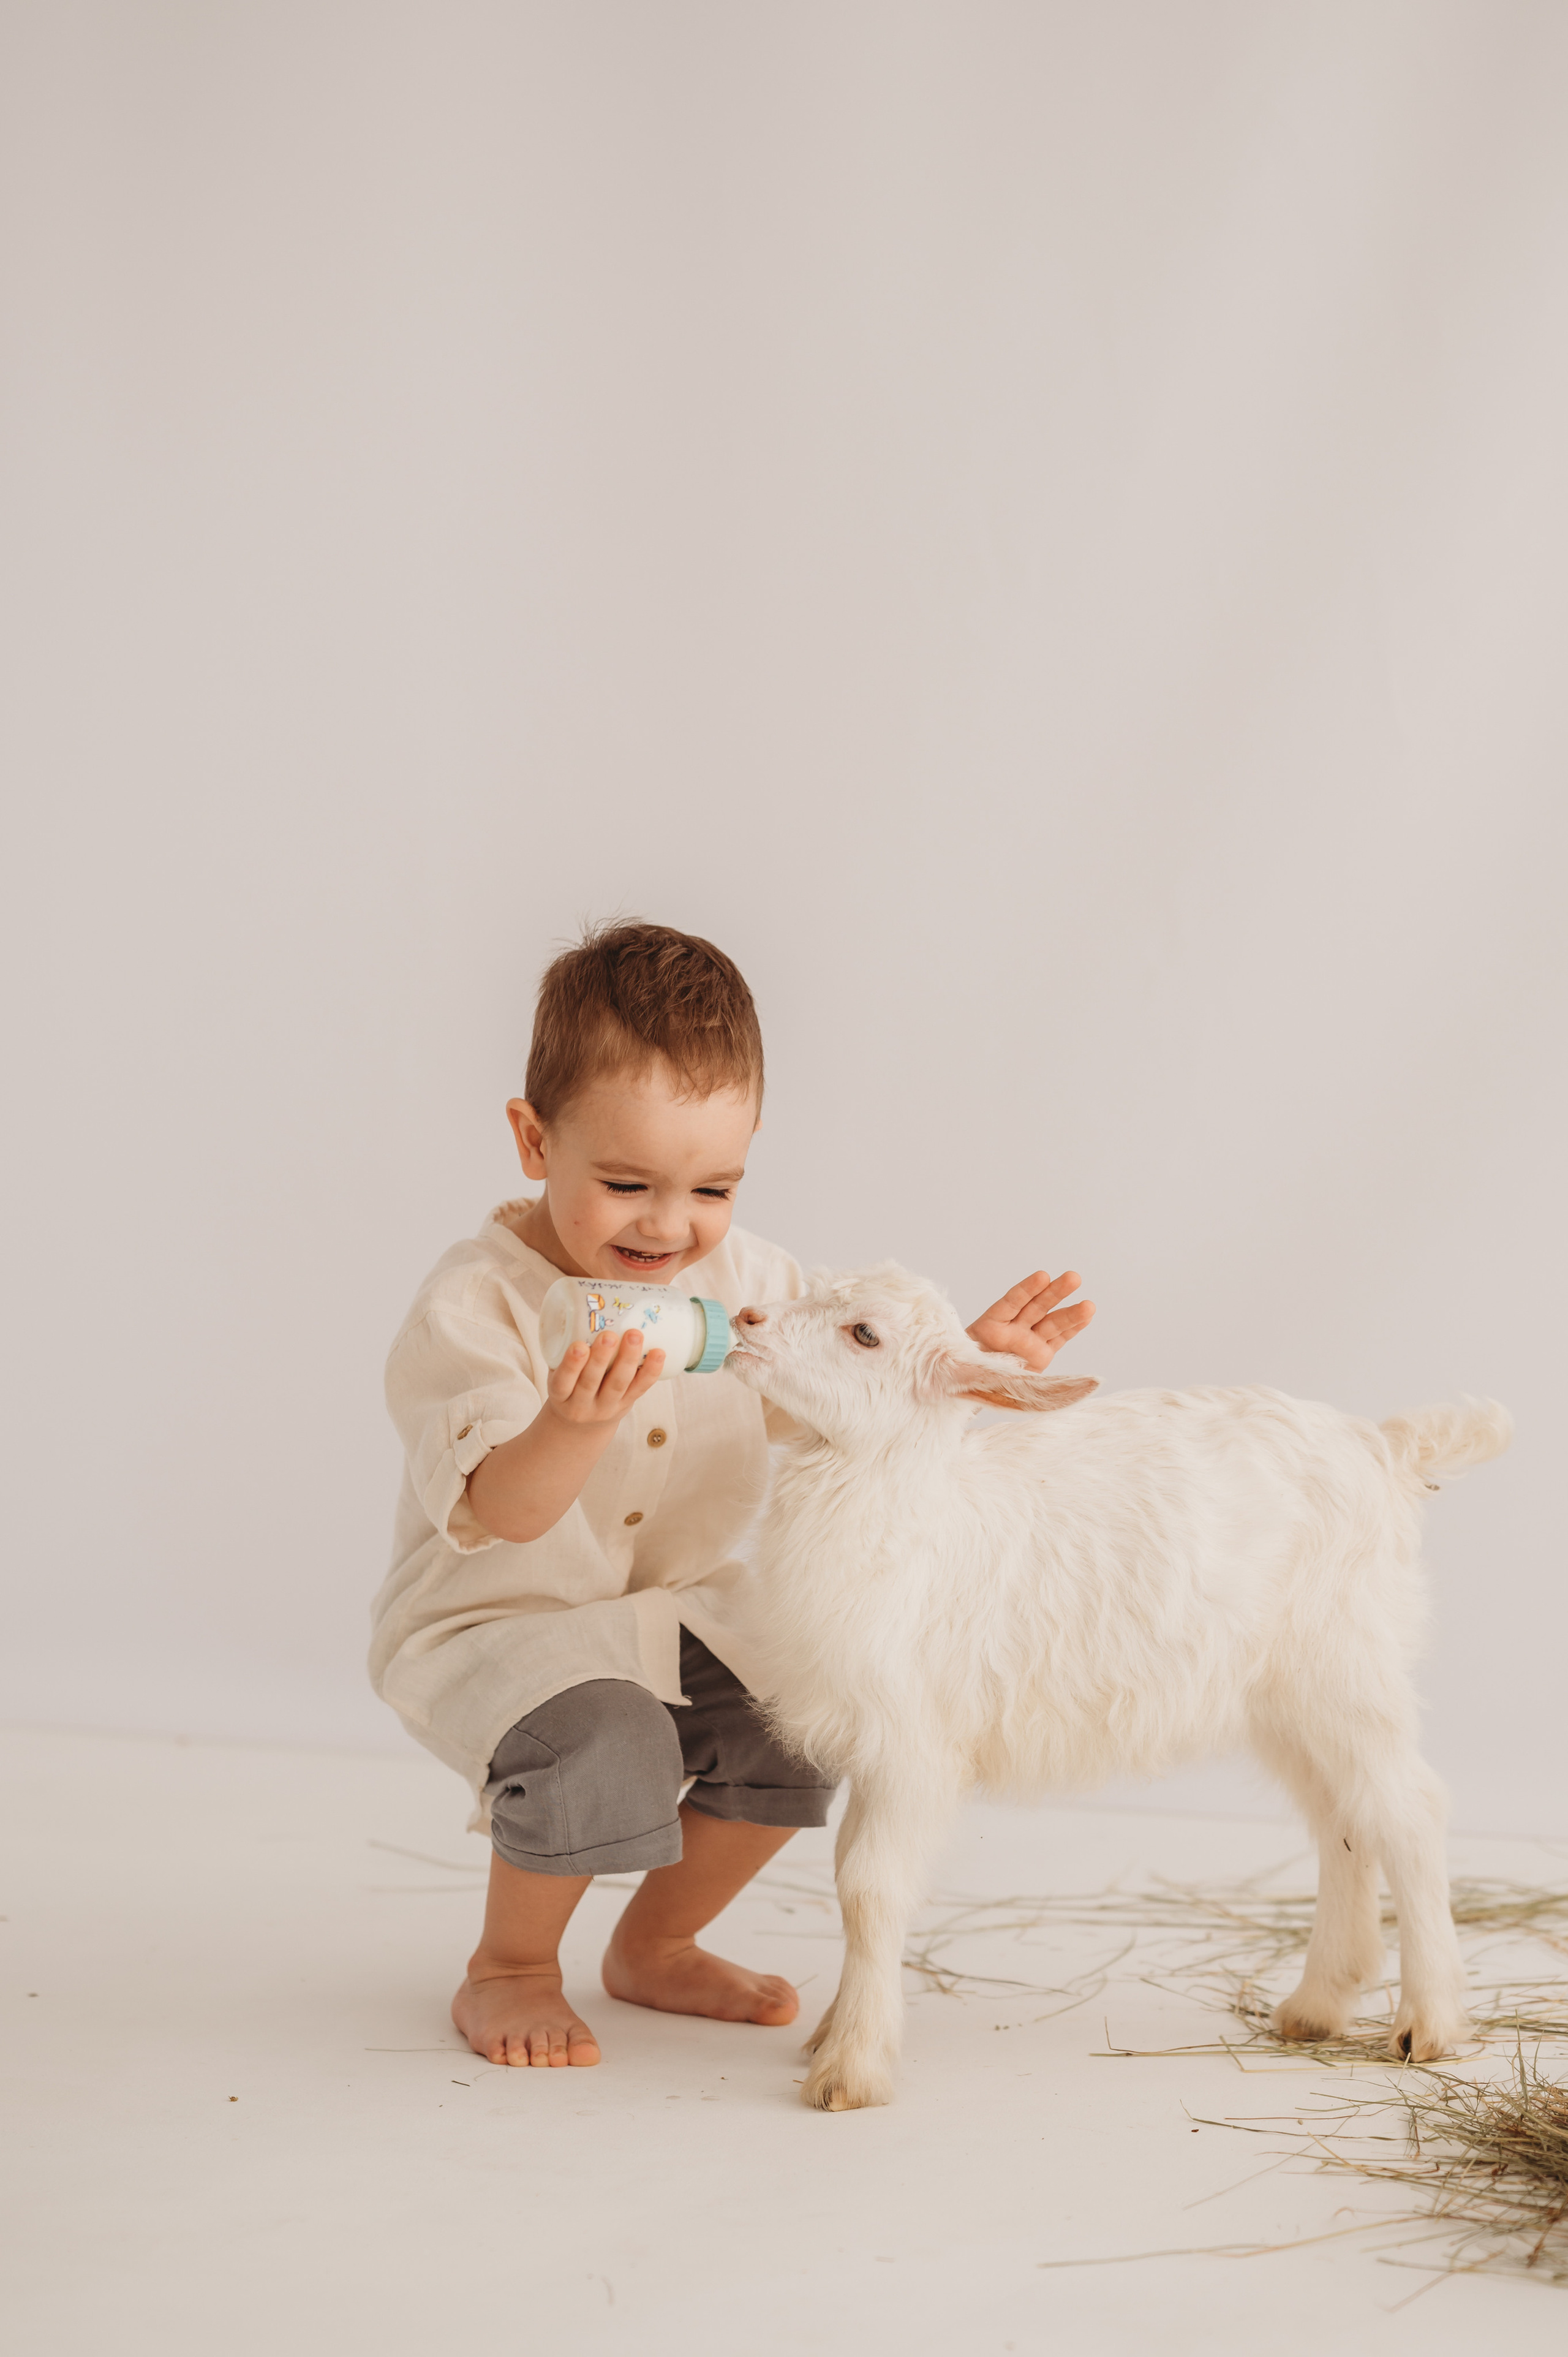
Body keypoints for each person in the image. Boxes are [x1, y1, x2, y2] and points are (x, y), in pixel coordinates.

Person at [372, 920, 1095, 2068]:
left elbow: (851, 1385)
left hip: (683, 1612)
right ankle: (506, 1966)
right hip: (503, 1626)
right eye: (624, 1184)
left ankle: (656, 1944)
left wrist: (953, 1369)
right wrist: (571, 1423)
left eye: (712, 1185)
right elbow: (504, 1512)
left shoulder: (755, 1285)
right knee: (603, 1740)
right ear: (531, 1139)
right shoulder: (476, 1310)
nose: (669, 1225)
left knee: (803, 1723)